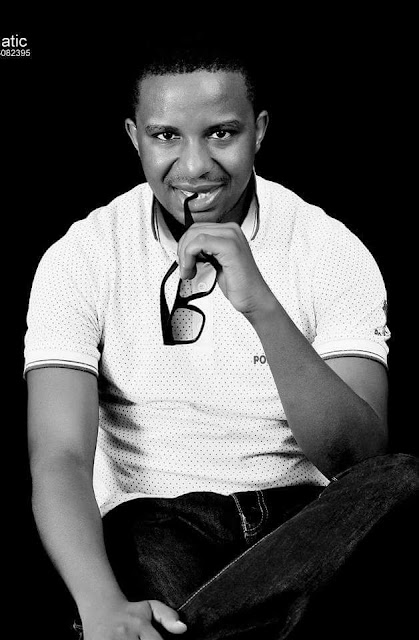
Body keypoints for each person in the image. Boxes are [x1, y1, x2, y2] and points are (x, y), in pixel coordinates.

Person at [25, 39, 418, 640]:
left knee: (402, 480)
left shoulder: (329, 249)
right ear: (134, 137)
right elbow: (60, 456)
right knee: (135, 543)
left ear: (259, 131)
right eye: (166, 136)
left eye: (221, 133)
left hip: (304, 526)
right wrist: (103, 606)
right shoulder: (82, 257)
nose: (194, 166)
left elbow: (359, 459)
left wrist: (261, 305)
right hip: (157, 521)